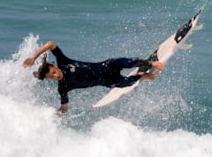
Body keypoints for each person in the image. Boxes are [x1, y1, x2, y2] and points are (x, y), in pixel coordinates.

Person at [23, 40, 164, 114]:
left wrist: (33, 57)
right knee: (127, 83)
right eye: (52, 78)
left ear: (54, 66)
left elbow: (50, 44)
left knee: (127, 62)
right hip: (107, 81)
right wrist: (56, 116)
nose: (56, 76)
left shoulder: (63, 61)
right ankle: (142, 76)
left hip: (106, 66)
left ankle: (151, 62)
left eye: (54, 72)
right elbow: (64, 106)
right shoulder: (63, 87)